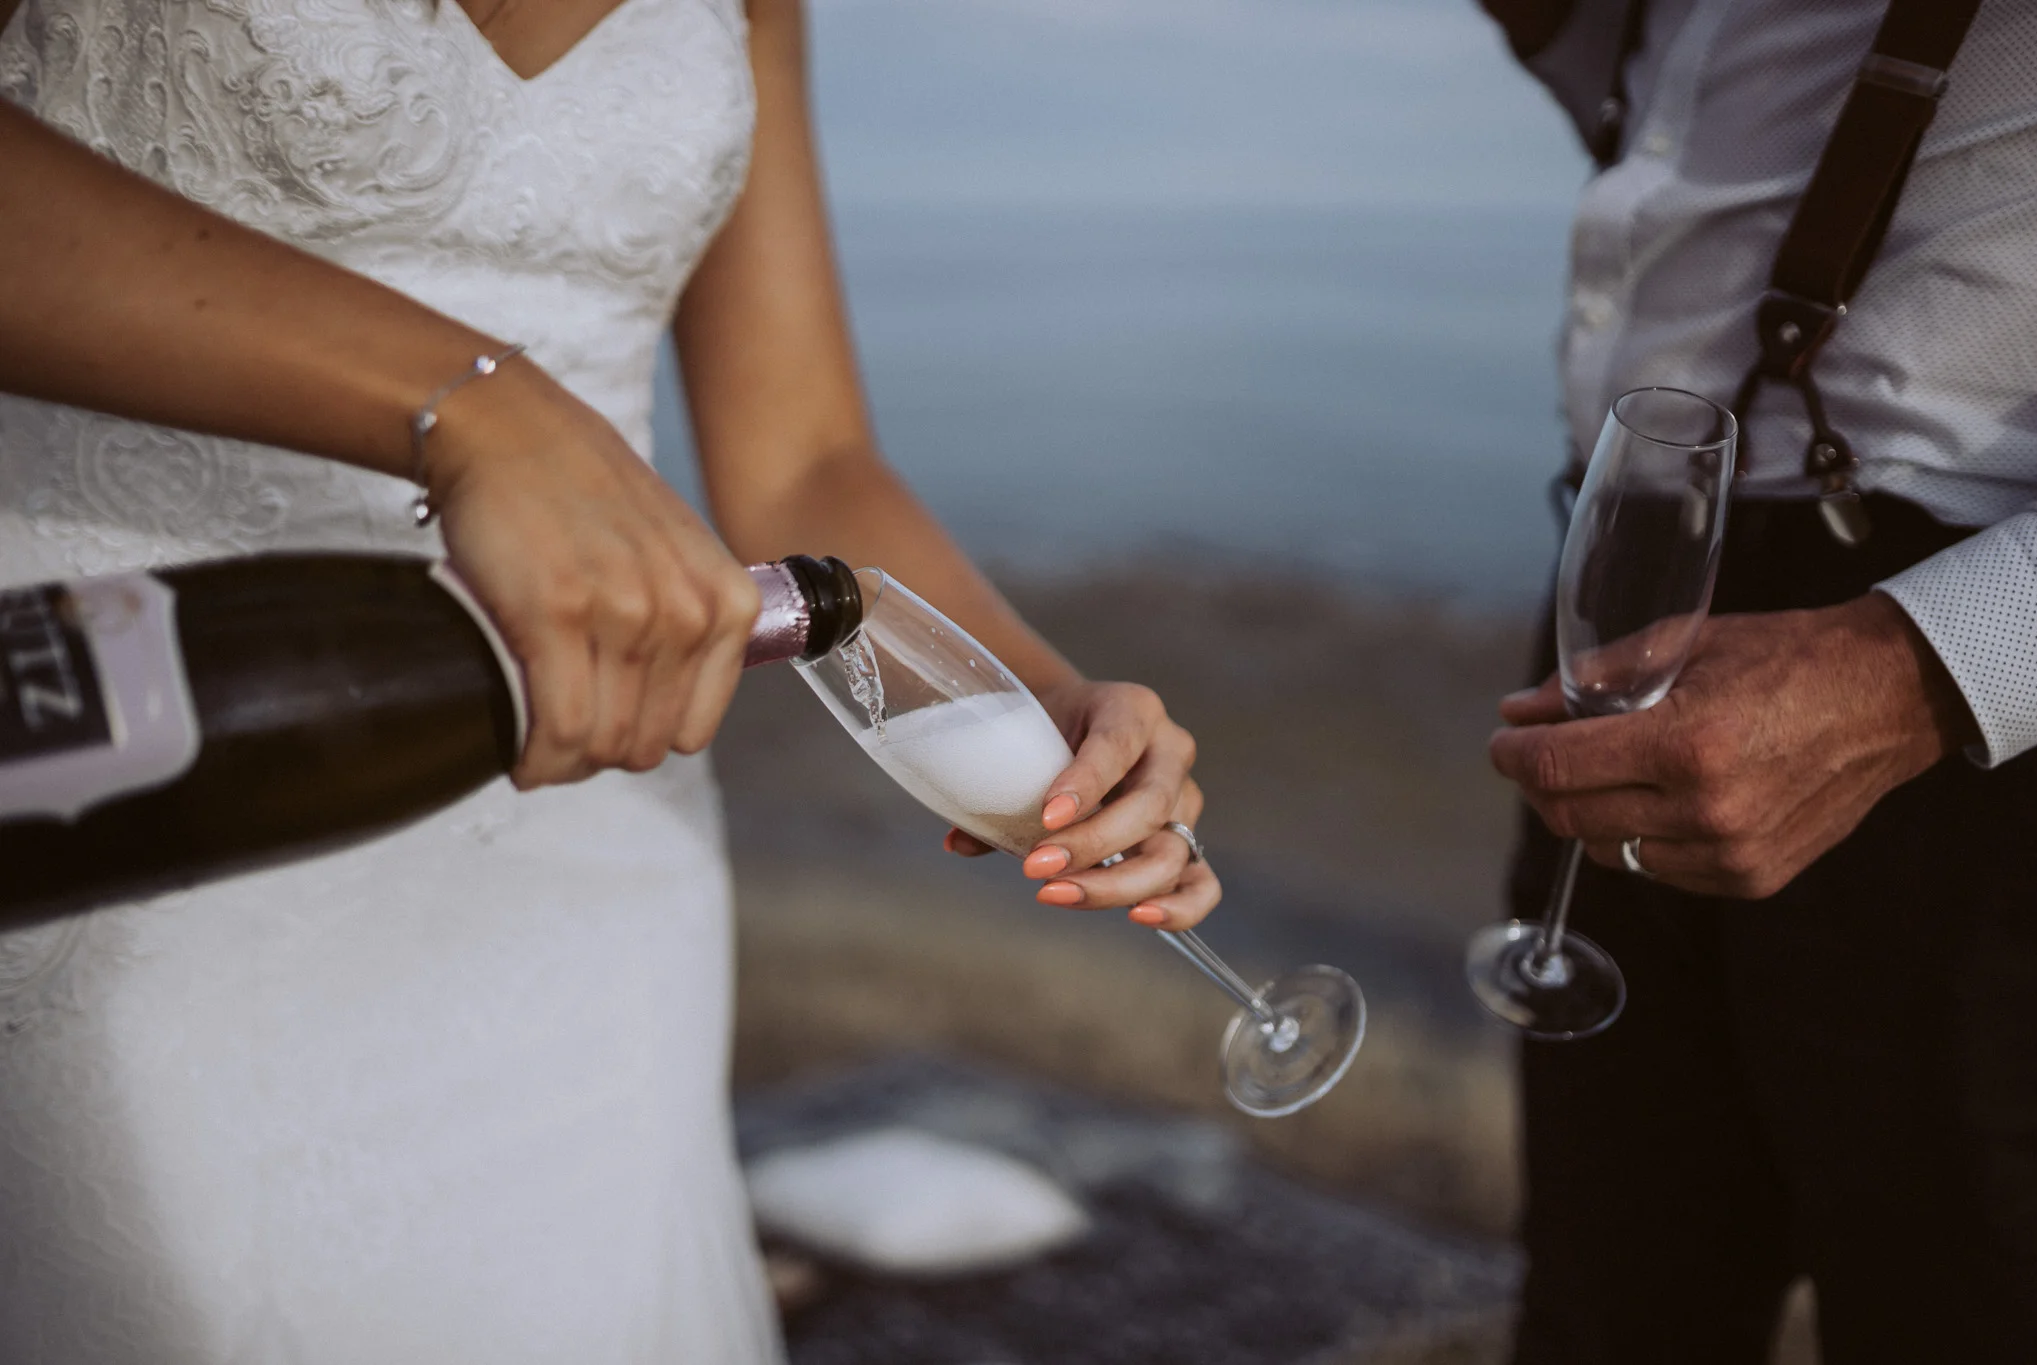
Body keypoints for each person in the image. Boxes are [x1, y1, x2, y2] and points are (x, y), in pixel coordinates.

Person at [0, 0, 1218, 1358]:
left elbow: (803, 456)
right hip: (133, 773)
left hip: (591, 855)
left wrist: (1046, 704)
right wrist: (471, 401)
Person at [1475, 0, 2037, 1360]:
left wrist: (1921, 664)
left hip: (1964, 706)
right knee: (1610, 1304)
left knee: (1966, 1310)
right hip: (1656, 565)